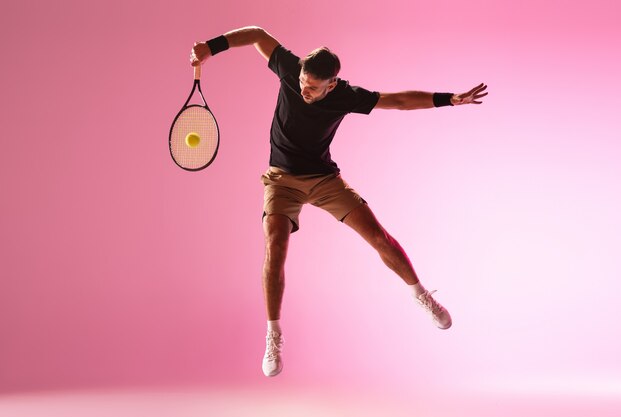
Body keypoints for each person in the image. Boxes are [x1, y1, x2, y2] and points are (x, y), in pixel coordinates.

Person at [190, 26, 488, 377]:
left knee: (378, 236)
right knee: (275, 247)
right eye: (303, 80)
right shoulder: (289, 67)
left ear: (331, 84)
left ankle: (422, 295)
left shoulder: (345, 96)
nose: (304, 88)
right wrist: (211, 47)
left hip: (325, 179)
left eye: (313, 86)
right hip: (281, 180)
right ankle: (273, 335)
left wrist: (448, 99)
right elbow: (256, 34)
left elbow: (399, 101)